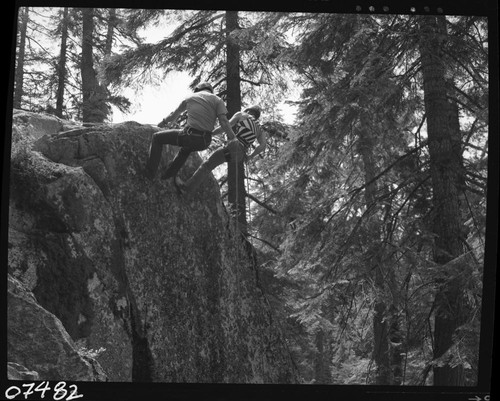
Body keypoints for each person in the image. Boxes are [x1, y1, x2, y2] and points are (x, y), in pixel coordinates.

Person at [144, 82, 236, 190]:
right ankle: (168, 175)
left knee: (157, 138)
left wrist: (163, 123)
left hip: (189, 135)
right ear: (210, 91)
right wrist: (233, 138)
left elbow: (174, 115)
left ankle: (149, 174)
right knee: (185, 150)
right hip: (204, 141)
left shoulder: (190, 97)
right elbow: (224, 121)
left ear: (198, 89)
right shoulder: (217, 100)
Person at [178, 105, 267, 195]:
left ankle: (186, 188)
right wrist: (250, 156)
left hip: (234, 145)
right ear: (256, 116)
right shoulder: (260, 129)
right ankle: (189, 188)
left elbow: (225, 126)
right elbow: (263, 145)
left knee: (207, 165)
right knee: (211, 164)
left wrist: (211, 134)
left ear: (248, 111)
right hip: (240, 155)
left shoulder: (242, 115)